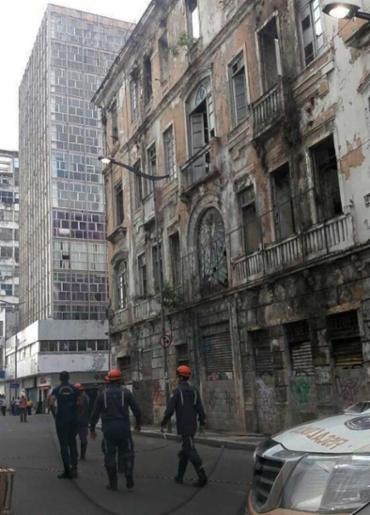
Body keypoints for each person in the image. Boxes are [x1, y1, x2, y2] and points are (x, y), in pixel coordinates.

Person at [89, 368, 141, 491]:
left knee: (109, 455)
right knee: (128, 453)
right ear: (120, 380)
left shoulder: (102, 395)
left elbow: (94, 414)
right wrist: (138, 424)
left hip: (108, 430)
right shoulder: (126, 393)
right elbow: (137, 411)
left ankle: (113, 484)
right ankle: (128, 473)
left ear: (109, 380)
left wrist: (92, 429)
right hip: (124, 429)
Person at [161, 365, 207, 488]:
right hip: (193, 425)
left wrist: (163, 422)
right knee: (185, 451)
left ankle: (202, 477)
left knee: (190, 450)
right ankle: (180, 476)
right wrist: (202, 422)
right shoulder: (194, 391)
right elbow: (200, 408)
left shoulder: (177, 391)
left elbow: (170, 410)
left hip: (183, 425)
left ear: (180, 377)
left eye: (177, 376)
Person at [49, 371, 79, 479]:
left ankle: (67, 470)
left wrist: (55, 414)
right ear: (69, 378)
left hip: (61, 420)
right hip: (73, 420)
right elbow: (79, 403)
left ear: (60, 379)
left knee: (63, 445)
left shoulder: (57, 390)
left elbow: (51, 402)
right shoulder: (75, 389)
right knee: (73, 444)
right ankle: (74, 469)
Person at [74, 383, 89, 460]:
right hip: (81, 422)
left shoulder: (82, 398)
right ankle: (80, 455)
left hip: (79, 422)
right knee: (82, 439)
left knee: (80, 439)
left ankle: (80, 455)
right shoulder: (85, 397)